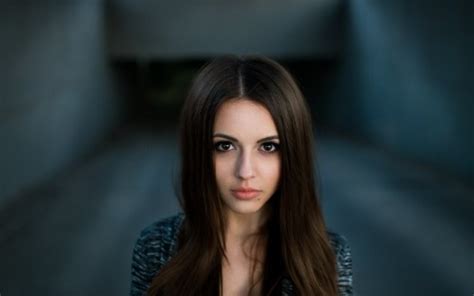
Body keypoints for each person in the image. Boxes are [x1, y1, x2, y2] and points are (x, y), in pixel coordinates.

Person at [130, 55, 353, 296]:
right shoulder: (157, 247)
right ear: (199, 151)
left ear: (293, 152)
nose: (245, 171)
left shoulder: (330, 255)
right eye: (225, 146)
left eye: (268, 147)